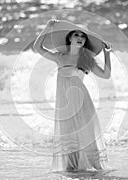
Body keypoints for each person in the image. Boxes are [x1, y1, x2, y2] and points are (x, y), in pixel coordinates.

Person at [33, 19, 112, 171]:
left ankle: (95, 167)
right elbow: (38, 47)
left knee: (85, 134)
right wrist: (47, 28)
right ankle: (72, 168)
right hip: (64, 104)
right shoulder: (59, 57)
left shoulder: (86, 59)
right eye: (76, 34)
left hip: (82, 101)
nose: (80, 37)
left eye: (83, 36)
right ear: (70, 38)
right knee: (68, 135)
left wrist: (107, 54)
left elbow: (106, 74)